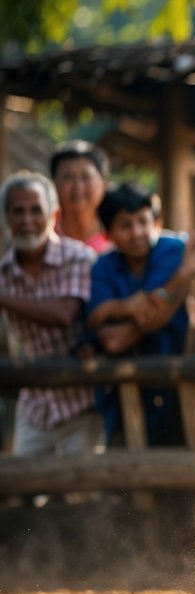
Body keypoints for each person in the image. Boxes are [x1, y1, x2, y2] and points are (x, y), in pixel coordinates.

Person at [85, 182, 195, 446]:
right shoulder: (104, 266)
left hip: (179, 382)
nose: (137, 232)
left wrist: (116, 312)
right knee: (126, 470)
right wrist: (126, 306)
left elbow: (147, 316)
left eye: (143, 221)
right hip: (123, 395)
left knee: (189, 466)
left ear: (157, 222)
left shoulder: (173, 249)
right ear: (108, 232)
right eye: (125, 225)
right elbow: (96, 324)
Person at [0, 171, 102, 456]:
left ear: (54, 215)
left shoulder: (78, 257)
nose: (27, 220)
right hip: (34, 406)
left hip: (82, 404)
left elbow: (63, 315)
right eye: (18, 212)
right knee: (22, 491)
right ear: (7, 218)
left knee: (83, 494)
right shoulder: (3, 274)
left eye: (36, 210)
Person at [50, 140, 112, 254]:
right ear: (53, 184)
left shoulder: (118, 236)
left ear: (104, 184)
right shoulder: (44, 234)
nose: (78, 186)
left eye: (86, 177)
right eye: (68, 177)